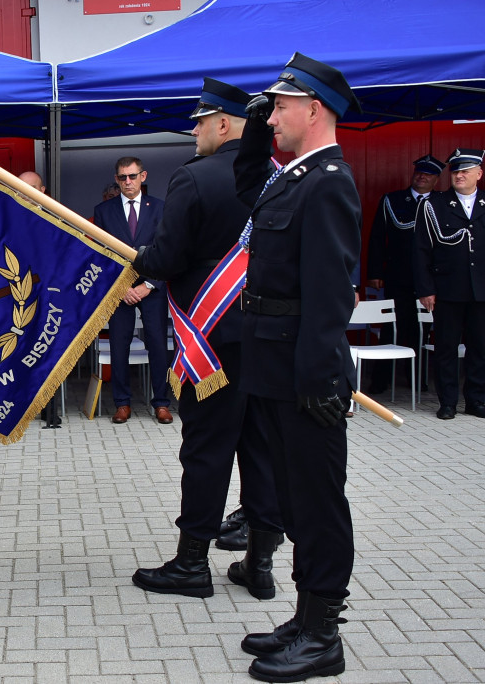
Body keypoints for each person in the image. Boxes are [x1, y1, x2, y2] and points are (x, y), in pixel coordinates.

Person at [232, 53, 361, 682]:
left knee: (317, 503)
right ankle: (304, 618)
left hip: (304, 376)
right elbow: (243, 189)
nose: (272, 114)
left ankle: (323, 634)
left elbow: (331, 295)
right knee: (290, 496)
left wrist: (316, 378)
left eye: (279, 107)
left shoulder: (329, 181)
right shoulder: (291, 177)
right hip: (272, 368)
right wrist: (255, 133)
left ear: (314, 110)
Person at [130, 78, 283, 601]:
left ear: (224, 124)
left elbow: (167, 259)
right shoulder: (283, 178)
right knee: (263, 451)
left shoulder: (195, 178)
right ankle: (259, 565)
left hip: (212, 344)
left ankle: (192, 565)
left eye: (199, 122)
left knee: (207, 451)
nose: (194, 131)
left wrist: (140, 258)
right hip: (271, 342)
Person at [93, 156, 172, 424]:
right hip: (120, 289)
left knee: (158, 346)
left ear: (143, 176)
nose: (128, 182)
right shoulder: (104, 211)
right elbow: (101, 255)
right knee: (118, 345)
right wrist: (123, 287)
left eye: (133, 176)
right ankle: (122, 403)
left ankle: (161, 403)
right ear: (116, 179)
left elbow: (167, 250)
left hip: (152, 287)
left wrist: (149, 285)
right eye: (122, 177)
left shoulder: (160, 208)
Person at [413, 149, 485, 420]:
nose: (459, 175)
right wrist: (426, 289)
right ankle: (448, 402)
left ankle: (476, 400)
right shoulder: (434, 204)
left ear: (479, 174)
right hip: (447, 289)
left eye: (465, 171)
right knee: (446, 348)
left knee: (480, 347)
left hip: (481, 289)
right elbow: (420, 251)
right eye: (455, 171)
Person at [366, 155, 444, 393]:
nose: (421, 177)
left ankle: (417, 378)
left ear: (437, 179)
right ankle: (381, 380)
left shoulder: (442, 202)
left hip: (432, 279)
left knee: (423, 329)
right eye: (419, 172)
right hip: (399, 275)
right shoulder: (394, 200)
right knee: (393, 326)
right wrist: (375, 271)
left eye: (428, 174)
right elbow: (378, 237)